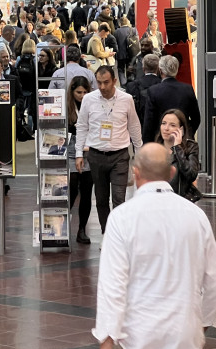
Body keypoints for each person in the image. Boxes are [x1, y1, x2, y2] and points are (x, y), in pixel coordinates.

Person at [93, 143, 216, 349]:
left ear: (135, 173)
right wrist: (201, 324)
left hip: (136, 337)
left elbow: (111, 288)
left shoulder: (121, 218)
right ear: (172, 173)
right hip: (183, 335)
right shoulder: (196, 216)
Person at [75, 66, 143, 234]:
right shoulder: (89, 99)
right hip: (96, 155)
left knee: (119, 198)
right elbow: (82, 126)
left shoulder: (126, 99)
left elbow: (134, 126)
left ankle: (119, 235)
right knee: (101, 199)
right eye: (99, 83)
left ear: (114, 81)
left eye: (106, 82)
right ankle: (107, 233)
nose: (103, 87)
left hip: (119, 155)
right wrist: (78, 153)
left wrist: (140, 153)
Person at [143, 55, 201, 142]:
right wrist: (186, 132)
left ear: (160, 70)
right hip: (182, 139)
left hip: (161, 140)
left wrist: (147, 143)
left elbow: (149, 122)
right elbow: (196, 118)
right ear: (176, 70)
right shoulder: (187, 89)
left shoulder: (153, 91)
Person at [66, 76, 93, 245]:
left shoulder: (91, 104)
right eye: (78, 92)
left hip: (89, 147)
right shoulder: (67, 106)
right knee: (72, 185)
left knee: (87, 189)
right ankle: (62, 225)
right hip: (71, 145)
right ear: (72, 91)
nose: (82, 96)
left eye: (85, 92)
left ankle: (82, 229)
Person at [156, 108, 200, 201]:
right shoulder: (155, 148)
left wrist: (178, 148)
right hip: (158, 199)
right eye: (163, 123)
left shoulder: (190, 147)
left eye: (172, 125)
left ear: (181, 129)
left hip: (181, 199)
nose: (166, 128)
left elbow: (191, 175)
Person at [125, 53, 160, 125]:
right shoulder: (163, 85)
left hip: (138, 125)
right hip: (158, 127)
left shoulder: (131, 86)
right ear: (158, 68)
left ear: (143, 68)